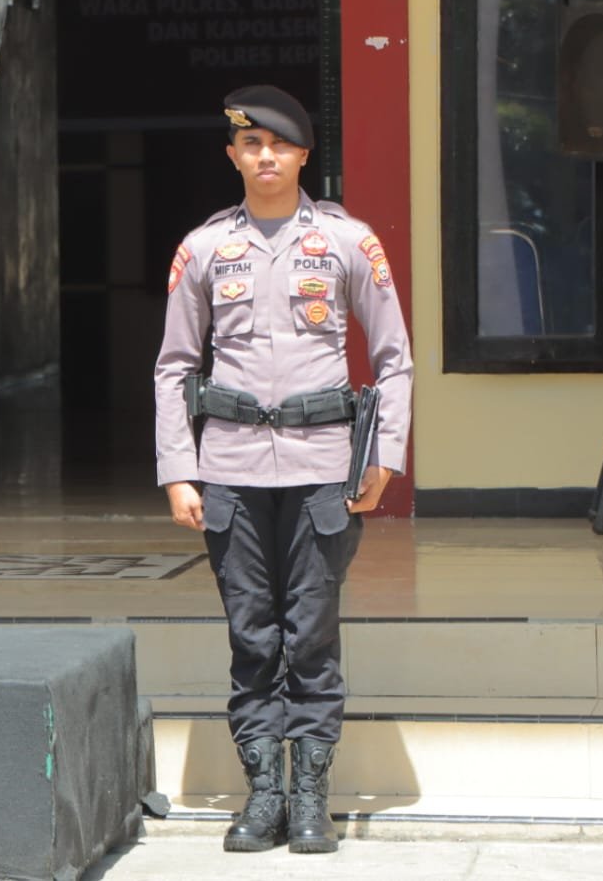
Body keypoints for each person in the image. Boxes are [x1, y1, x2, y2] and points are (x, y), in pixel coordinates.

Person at [153, 85, 414, 854]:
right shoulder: (204, 249)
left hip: (322, 468)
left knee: (310, 636)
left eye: (278, 145)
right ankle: (262, 792)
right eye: (250, 145)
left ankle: (309, 798)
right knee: (251, 637)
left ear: (302, 154)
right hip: (230, 468)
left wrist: (384, 454)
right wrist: (177, 468)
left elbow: (394, 358)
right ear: (231, 155)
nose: (264, 157)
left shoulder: (346, 242)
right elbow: (173, 365)